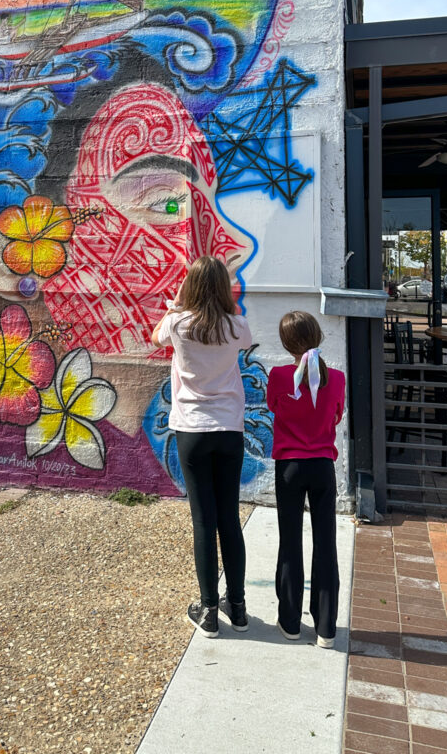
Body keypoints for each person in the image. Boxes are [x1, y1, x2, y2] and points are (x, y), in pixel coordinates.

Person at [152, 255, 252, 638]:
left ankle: (209, 611)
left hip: (191, 431)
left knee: (203, 520)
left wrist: (178, 302)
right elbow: (239, 332)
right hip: (229, 429)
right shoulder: (236, 326)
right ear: (223, 288)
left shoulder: (177, 323)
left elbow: (156, 335)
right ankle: (237, 608)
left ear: (190, 286)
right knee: (229, 517)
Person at [267, 311, 345, 648]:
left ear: (286, 344)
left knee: (290, 542)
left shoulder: (279, 376)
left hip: (289, 466)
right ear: (317, 337)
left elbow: (274, 409)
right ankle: (326, 627)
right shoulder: (337, 378)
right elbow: (337, 416)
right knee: (325, 544)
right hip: (323, 465)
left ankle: (290, 621)